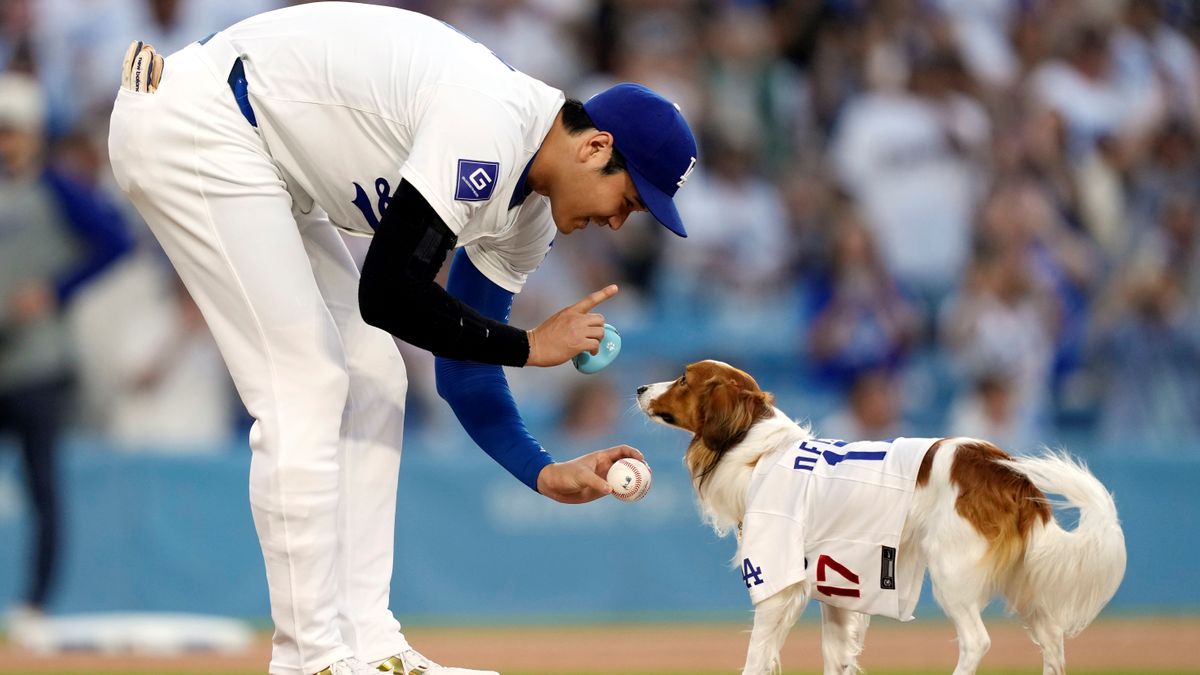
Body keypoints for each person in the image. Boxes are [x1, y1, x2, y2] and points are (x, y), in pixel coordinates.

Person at [106, 4, 698, 675]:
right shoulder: (492, 123)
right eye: (630, 200)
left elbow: (463, 370)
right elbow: (386, 293)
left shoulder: (530, 219)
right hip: (198, 116)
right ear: (595, 147)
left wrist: (540, 468)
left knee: (376, 379)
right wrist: (530, 345)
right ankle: (311, 659)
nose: (620, 223)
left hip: (266, 161)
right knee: (307, 381)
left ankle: (369, 644)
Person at [0, 72, 132, 630]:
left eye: (15, 132)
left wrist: (56, 291)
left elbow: (115, 240)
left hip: (38, 363)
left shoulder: (56, 187)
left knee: (41, 485)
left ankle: (35, 603)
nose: (8, 143)